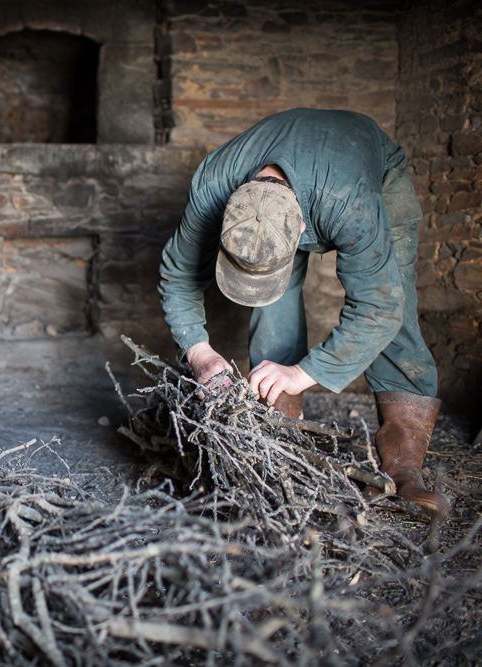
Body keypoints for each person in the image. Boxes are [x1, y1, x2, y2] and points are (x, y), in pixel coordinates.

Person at [157, 108, 446, 517]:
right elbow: (177, 274)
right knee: (272, 305)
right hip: (307, 186)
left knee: (396, 306)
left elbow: (379, 308)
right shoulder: (213, 187)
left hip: (370, 179)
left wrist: (301, 374)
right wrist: (201, 354)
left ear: (305, 229)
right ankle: (282, 443)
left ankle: (404, 468)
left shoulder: (350, 204)